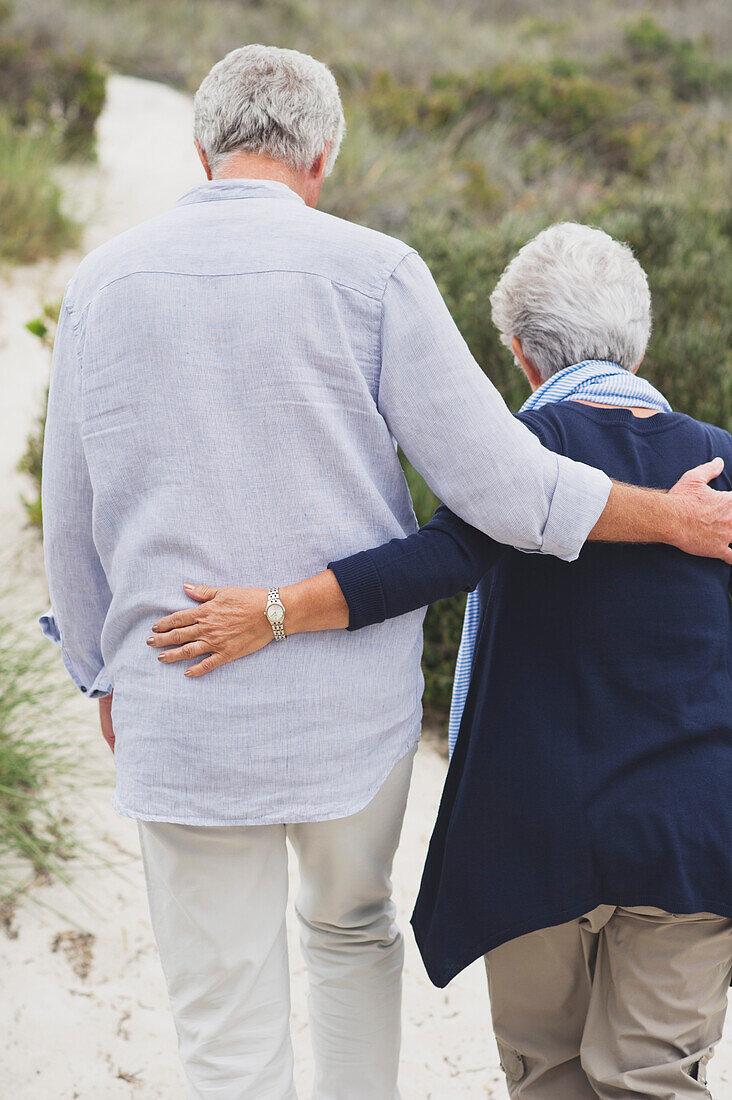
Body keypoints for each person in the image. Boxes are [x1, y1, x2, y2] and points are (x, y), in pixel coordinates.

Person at [39, 40, 732, 1100]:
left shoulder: (98, 285)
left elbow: (71, 520)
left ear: (199, 147)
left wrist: (100, 668)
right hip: (350, 708)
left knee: (225, 1016)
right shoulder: (373, 272)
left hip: (177, 691)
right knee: (350, 934)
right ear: (323, 157)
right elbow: (507, 485)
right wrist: (672, 522)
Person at [168, 223, 732, 1098]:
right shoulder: (721, 466)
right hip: (694, 834)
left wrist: (271, 613)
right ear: (641, 340)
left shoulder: (512, 455)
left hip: (534, 829)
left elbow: (429, 566)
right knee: (654, 1077)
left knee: (545, 1074)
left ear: (518, 354)